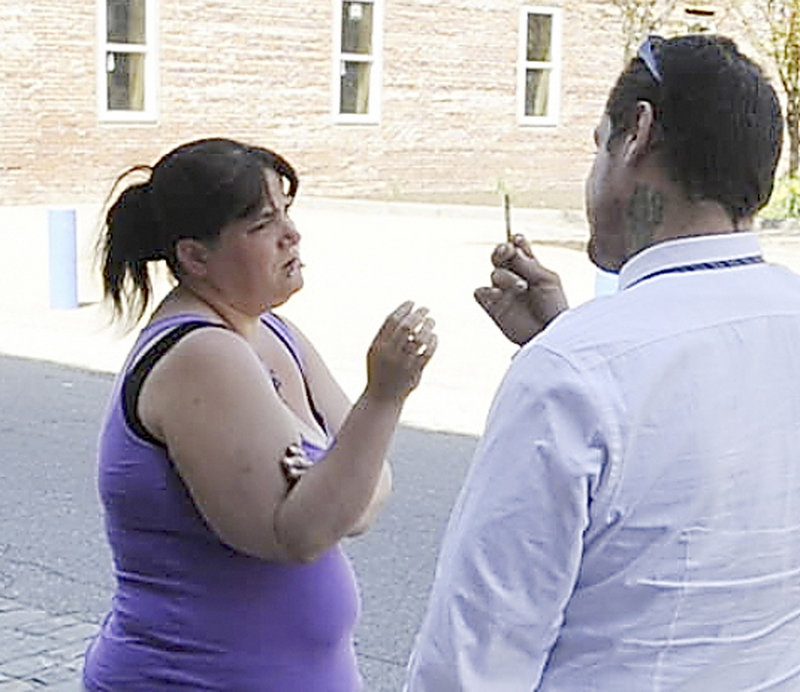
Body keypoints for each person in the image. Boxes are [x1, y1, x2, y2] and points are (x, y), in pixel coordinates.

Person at [406, 34, 800, 690]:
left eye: (598, 142)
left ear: (637, 134)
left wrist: (573, 348)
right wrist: (570, 336)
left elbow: (473, 664)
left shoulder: (573, 373)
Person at [81, 138, 437, 691]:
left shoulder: (270, 330)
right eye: (262, 224)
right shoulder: (200, 354)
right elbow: (303, 532)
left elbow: (366, 492)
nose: (291, 235)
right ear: (195, 257)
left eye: (287, 213)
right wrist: (385, 395)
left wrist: (338, 485)